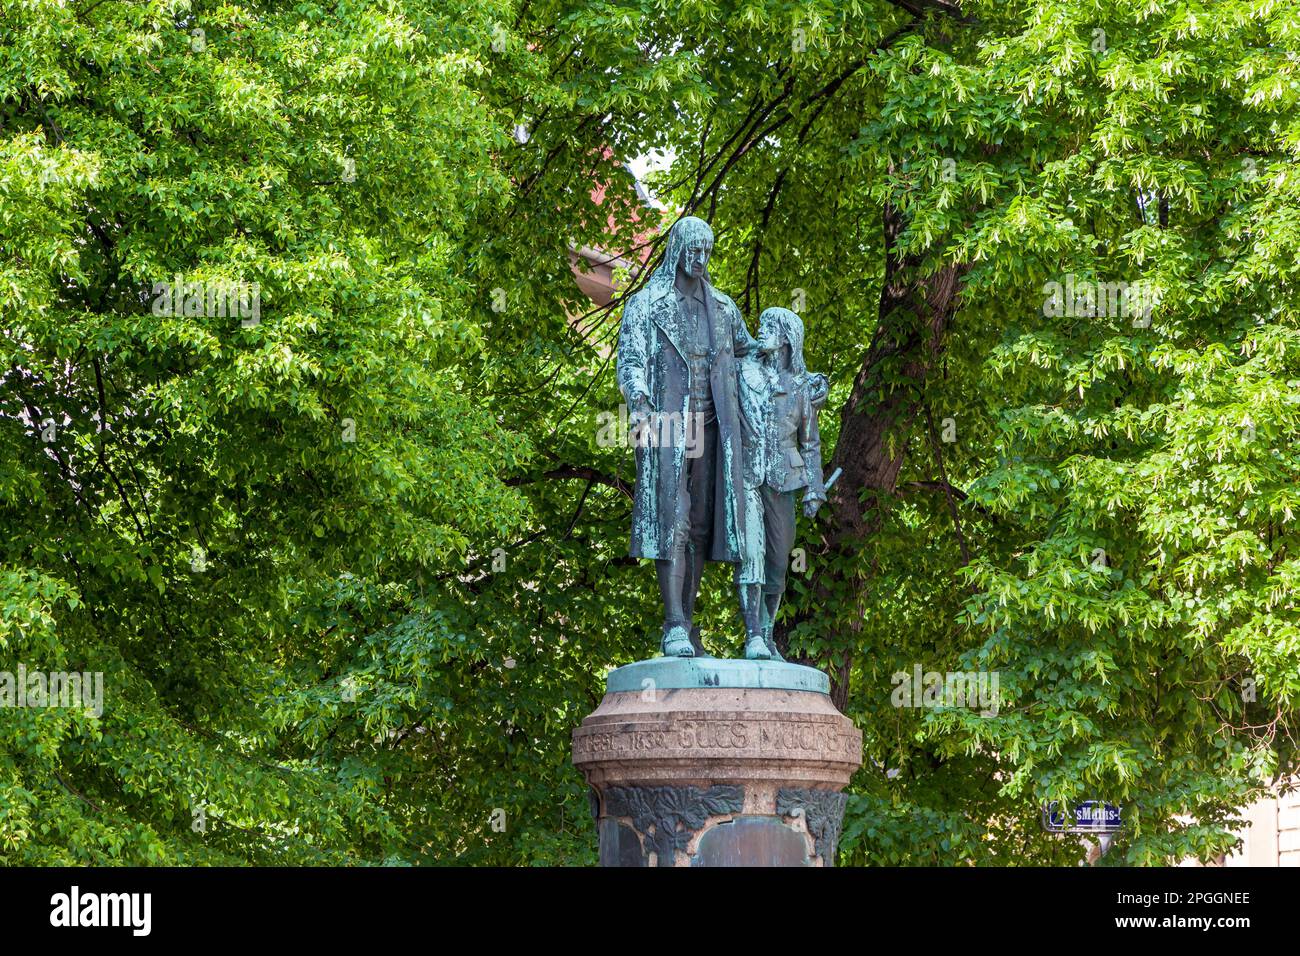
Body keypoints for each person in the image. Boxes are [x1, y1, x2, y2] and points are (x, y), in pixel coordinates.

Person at [616, 217, 756, 658]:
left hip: (714, 428)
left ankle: (690, 628)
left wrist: (800, 375)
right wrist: (638, 403)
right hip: (669, 424)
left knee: (698, 525)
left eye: (706, 252)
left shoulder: (724, 308)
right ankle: (673, 622)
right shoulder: (646, 303)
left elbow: (753, 355)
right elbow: (631, 359)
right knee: (671, 521)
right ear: (678, 249)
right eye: (693, 250)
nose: (700, 260)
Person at [734, 307, 827, 660]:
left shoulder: (802, 387)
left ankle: (768, 633)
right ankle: (752, 635)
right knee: (752, 553)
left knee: (778, 562)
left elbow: (811, 443)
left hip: (785, 481)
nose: (761, 330)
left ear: (787, 337)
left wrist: (815, 488)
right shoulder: (746, 370)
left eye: (769, 327)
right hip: (749, 475)